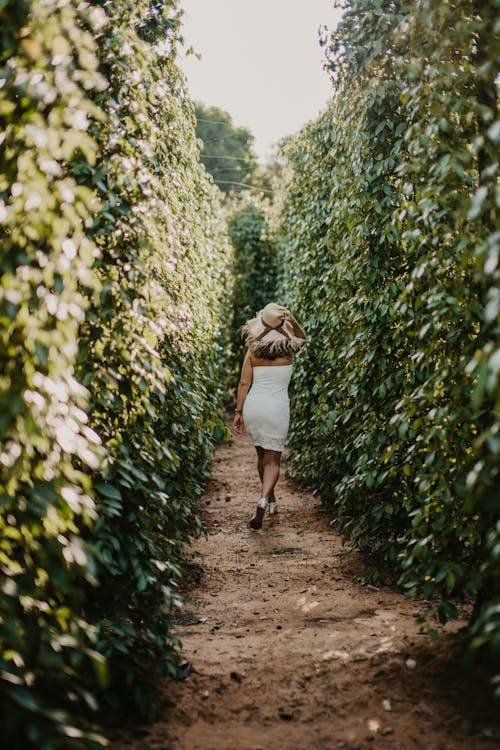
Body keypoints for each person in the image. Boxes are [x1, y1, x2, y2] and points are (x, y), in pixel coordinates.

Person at [233, 303, 306, 529]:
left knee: (261, 457)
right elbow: (303, 336)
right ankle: (264, 499)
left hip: (254, 407)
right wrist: (292, 320)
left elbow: (244, 383)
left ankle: (271, 500)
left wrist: (238, 412)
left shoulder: (252, 351)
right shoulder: (291, 348)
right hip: (276, 408)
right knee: (273, 461)